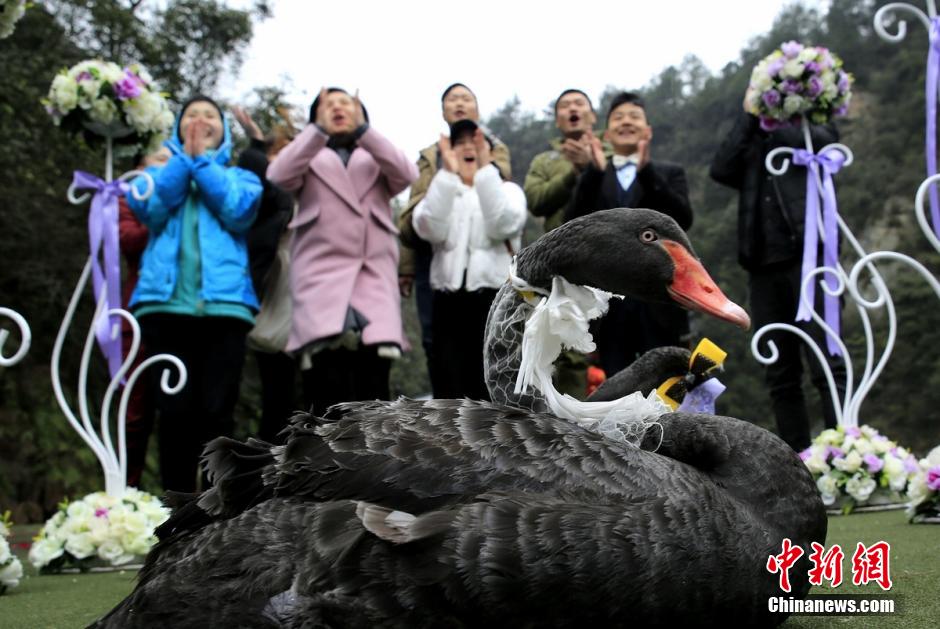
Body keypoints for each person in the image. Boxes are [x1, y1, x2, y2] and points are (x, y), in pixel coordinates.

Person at [128, 95, 262, 493]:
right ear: (175, 128)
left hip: (226, 309)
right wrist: (182, 161)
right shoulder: (154, 175)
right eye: (191, 116)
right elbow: (151, 210)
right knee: (173, 413)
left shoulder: (242, 178)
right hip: (165, 308)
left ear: (223, 131)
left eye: (209, 116)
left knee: (218, 412)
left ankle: (219, 509)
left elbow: (236, 211)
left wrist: (200, 161)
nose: (200, 121)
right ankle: (177, 506)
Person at [709, 90, 846, 451]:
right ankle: (798, 460)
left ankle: (845, 451)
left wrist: (781, 116)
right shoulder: (752, 135)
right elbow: (721, 168)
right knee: (781, 374)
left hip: (811, 259)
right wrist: (750, 116)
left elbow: (829, 144)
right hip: (763, 267)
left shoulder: (808, 127)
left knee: (829, 363)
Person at [267, 88, 418, 415]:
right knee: (325, 396)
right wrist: (316, 133)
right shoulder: (308, 157)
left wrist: (365, 132)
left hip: (372, 283)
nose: (337, 108)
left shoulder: (375, 157)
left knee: (374, 396)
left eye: (345, 103)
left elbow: (407, 174)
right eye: (328, 105)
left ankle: (374, 452)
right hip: (321, 285)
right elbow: (277, 176)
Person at [566, 91, 693, 379]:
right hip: (608, 308)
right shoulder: (594, 177)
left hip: (661, 303)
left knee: (667, 384)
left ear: (647, 130)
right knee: (616, 388)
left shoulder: (670, 173)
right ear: (607, 134)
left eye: (634, 117)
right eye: (618, 118)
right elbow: (570, 226)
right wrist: (593, 173)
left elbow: (683, 219)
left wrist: (647, 173)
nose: (626, 122)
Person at [397, 83, 512, 397]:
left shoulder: (493, 147)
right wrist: (405, 266)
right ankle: (445, 408)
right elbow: (414, 211)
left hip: (482, 259)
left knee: (486, 347)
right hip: (432, 255)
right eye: (452, 99)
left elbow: (500, 199)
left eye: (466, 98)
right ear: (443, 111)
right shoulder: (429, 155)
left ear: (477, 109)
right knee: (435, 341)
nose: (459, 103)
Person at [412, 119, 526, 399]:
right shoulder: (442, 191)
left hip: (494, 302)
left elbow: (502, 225)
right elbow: (427, 228)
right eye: (459, 143)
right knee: (449, 389)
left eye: (475, 142)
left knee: (492, 385)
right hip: (447, 302)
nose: (467, 148)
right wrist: (447, 176)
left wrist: (486, 172)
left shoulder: (509, 191)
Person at [522, 88, 600, 397]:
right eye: (565, 106)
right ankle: (572, 419)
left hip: (609, 255)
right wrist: (572, 173)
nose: (572, 109)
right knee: (569, 346)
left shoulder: (609, 153)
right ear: (557, 120)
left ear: (592, 115)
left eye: (579, 103)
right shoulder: (546, 160)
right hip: (563, 266)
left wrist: (593, 167)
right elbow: (536, 200)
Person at [119, 146, 170, 487]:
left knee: (178, 411)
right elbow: (127, 238)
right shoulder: (129, 197)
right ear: (140, 167)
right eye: (160, 159)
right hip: (136, 312)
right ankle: (124, 492)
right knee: (133, 410)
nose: (169, 166)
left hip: (182, 312)